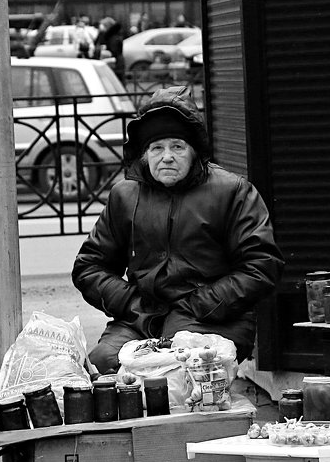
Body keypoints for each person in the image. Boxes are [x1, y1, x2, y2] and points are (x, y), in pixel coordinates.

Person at [72, 87, 284, 375]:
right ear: (145, 155)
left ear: (194, 151)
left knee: (179, 372)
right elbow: (89, 267)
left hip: (214, 319)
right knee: (102, 367)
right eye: (157, 148)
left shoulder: (232, 191)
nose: (167, 157)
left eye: (177, 146)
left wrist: (200, 303)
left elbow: (262, 265)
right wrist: (131, 303)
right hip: (141, 320)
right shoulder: (125, 196)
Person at [93, 16, 124, 81]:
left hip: (115, 66)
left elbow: (113, 52)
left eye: (103, 26)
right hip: (115, 65)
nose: (102, 27)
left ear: (107, 26)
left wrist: (104, 51)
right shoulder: (108, 36)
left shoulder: (113, 38)